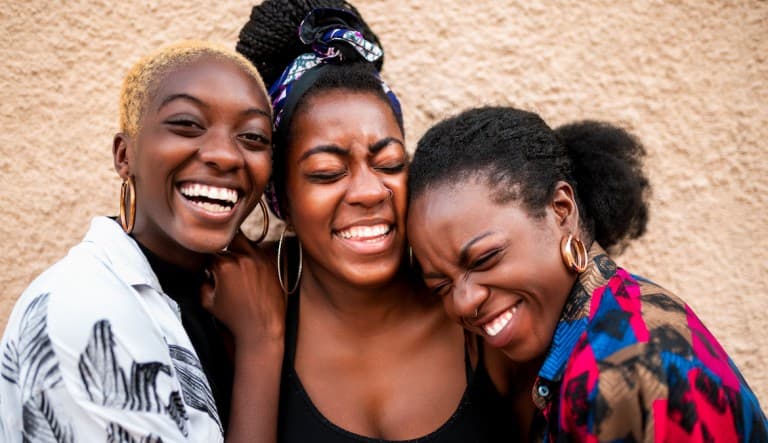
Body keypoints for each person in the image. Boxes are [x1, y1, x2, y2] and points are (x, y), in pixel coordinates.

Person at [224, 1, 507, 441]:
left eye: (389, 164)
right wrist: (261, 342)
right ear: (281, 198)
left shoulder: (479, 304)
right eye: (327, 173)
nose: (370, 191)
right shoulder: (239, 311)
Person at [405, 106, 768, 442]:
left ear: (561, 209)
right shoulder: (582, 331)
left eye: (485, 258)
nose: (463, 302)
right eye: (441, 286)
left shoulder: (630, 367)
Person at [0, 41, 284, 442]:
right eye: (187, 124)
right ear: (124, 156)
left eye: (253, 137)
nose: (225, 156)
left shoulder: (230, 297)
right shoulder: (84, 312)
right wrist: (262, 344)